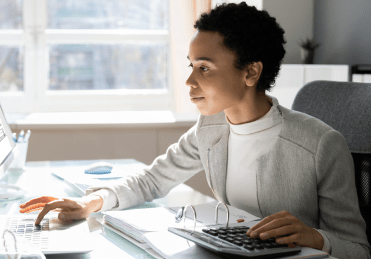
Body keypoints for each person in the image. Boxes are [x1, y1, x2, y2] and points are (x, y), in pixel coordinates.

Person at [19, 2, 370, 258]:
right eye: (191, 66)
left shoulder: (322, 145)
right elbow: (153, 180)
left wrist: (314, 237)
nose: (189, 81)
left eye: (205, 68)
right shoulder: (211, 127)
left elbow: (357, 249)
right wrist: (91, 202)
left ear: (250, 73)